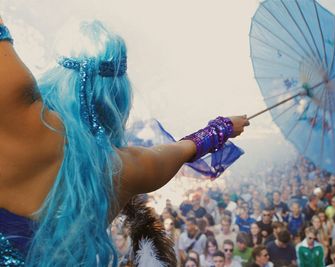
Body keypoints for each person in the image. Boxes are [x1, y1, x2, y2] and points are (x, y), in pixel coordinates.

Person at [0, 18, 249, 266]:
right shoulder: (127, 169)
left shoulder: (20, 113)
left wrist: (222, 128)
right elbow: (184, 148)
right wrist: (224, 127)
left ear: (58, 73)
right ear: (119, 94)